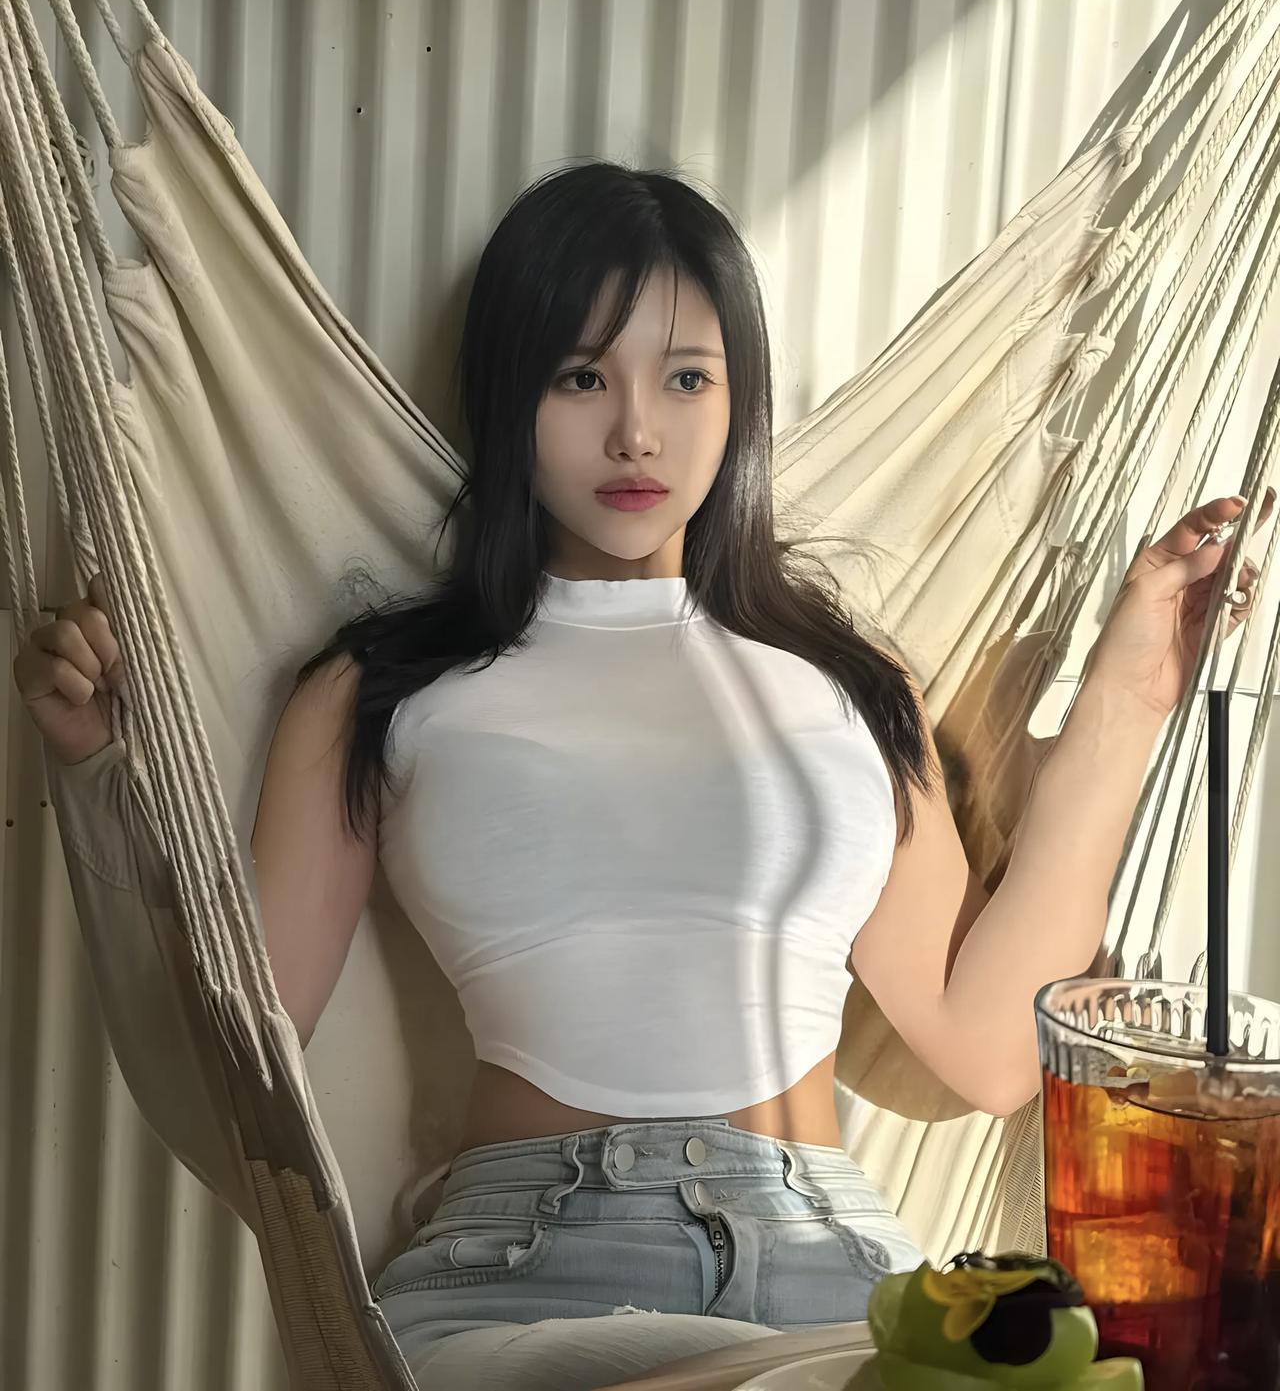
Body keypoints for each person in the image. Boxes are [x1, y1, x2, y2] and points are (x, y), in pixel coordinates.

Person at [13, 160, 1270, 1391]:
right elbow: (240, 1056)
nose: (635, 431)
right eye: (580, 377)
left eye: (685, 377)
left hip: (836, 1267)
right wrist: (104, 770)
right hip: (526, 1272)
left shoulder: (847, 682)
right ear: (510, 393)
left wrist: (1129, 695)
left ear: (738, 400)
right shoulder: (375, 691)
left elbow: (987, 1050)